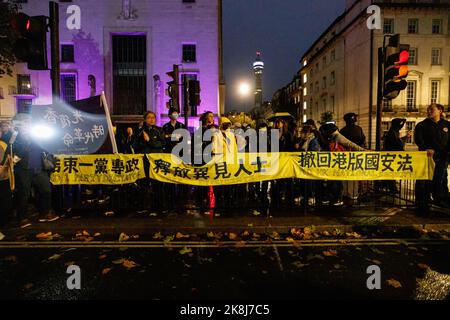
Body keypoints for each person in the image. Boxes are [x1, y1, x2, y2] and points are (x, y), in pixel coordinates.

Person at [12, 113, 59, 223]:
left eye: (29, 122)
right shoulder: (14, 136)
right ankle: (22, 218)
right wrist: (26, 140)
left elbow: (45, 146)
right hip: (23, 169)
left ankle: (45, 213)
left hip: (38, 167)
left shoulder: (36, 134)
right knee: (24, 194)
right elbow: (15, 151)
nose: (28, 124)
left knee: (46, 190)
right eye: (25, 122)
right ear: (18, 124)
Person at [414, 104, 450, 212]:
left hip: (442, 158)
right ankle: (422, 203)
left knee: (441, 180)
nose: (429, 111)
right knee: (423, 181)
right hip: (426, 158)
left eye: (432, 109)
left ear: (440, 110)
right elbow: (418, 140)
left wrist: (447, 154)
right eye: (428, 110)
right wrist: (426, 148)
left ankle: (440, 200)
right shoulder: (422, 125)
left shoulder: (447, 125)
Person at [383, 118, 411, 193]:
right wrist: (405, 138)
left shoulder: (394, 132)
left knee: (390, 173)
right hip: (390, 156)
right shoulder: (393, 132)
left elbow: (397, 142)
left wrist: (405, 137)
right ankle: (392, 188)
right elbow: (398, 144)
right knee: (390, 173)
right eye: (400, 125)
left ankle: (390, 187)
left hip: (390, 156)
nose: (401, 127)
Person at [0, 139, 12, 227]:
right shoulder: (3, 144)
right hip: (2, 177)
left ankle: (4, 222)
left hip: (4, 177)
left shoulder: (4, 143)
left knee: (5, 201)